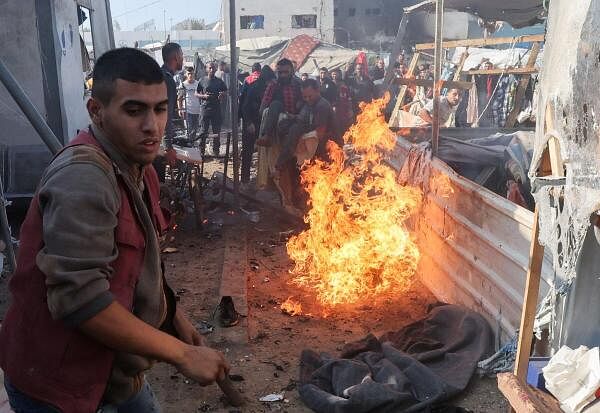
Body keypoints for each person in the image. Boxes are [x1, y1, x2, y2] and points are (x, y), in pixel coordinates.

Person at [0, 48, 229, 413]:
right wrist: (180, 353)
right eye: (134, 110)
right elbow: (80, 300)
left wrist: (176, 320)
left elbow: (139, 267)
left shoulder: (141, 170)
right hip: (61, 385)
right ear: (96, 111)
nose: (152, 126)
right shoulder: (84, 178)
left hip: (116, 376)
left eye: (160, 108)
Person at [276, 78, 335, 169]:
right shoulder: (308, 104)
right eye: (305, 97)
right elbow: (302, 119)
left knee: (295, 129)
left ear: (317, 91)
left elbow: (320, 132)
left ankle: (283, 161)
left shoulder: (322, 106)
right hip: (307, 132)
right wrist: (293, 117)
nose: (307, 99)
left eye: (310, 96)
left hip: (325, 142)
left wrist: (302, 139)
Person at [240, 65, 276, 184]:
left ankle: (264, 180)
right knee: (247, 152)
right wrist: (249, 122)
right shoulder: (253, 87)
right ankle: (245, 179)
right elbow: (245, 106)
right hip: (251, 123)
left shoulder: (271, 89)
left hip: (263, 125)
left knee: (265, 153)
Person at [256, 58, 303, 147]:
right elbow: (263, 107)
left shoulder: (298, 84)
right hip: (278, 121)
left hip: (296, 119)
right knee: (276, 104)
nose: (283, 75)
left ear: (292, 71)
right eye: (280, 72)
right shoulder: (273, 85)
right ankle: (267, 136)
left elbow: (307, 101)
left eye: (286, 72)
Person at [197, 62, 228, 156]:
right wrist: (203, 96)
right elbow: (196, 93)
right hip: (205, 108)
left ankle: (216, 151)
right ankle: (201, 152)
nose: (212, 70)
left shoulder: (219, 81)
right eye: (210, 68)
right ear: (206, 69)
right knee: (203, 131)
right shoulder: (202, 80)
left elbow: (226, 91)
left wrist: (222, 94)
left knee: (216, 131)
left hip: (216, 109)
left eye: (213, 68)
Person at [179, 67, 201, 141]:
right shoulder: (183, 85)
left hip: (197, 110)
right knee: (189, 130)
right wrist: (180, 109)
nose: (190, 75)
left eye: (192, 73)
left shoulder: (198, 84)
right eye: (189, 74)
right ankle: (188, 144)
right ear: (186, 74)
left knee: (195, 129)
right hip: (188, 110)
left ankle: (192, 143)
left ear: (194, 74)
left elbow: (202, 95)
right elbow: (180, 98)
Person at [331, 68, 353, 141]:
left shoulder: (343, 86)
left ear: (339, 75)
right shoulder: (330, 85)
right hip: (333, 110)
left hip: (343, 110)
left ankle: (344, 140)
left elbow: (348, 98)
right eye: (333, 74)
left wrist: (350, 109)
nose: (334, 76)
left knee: (344, 126)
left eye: (336, 74)